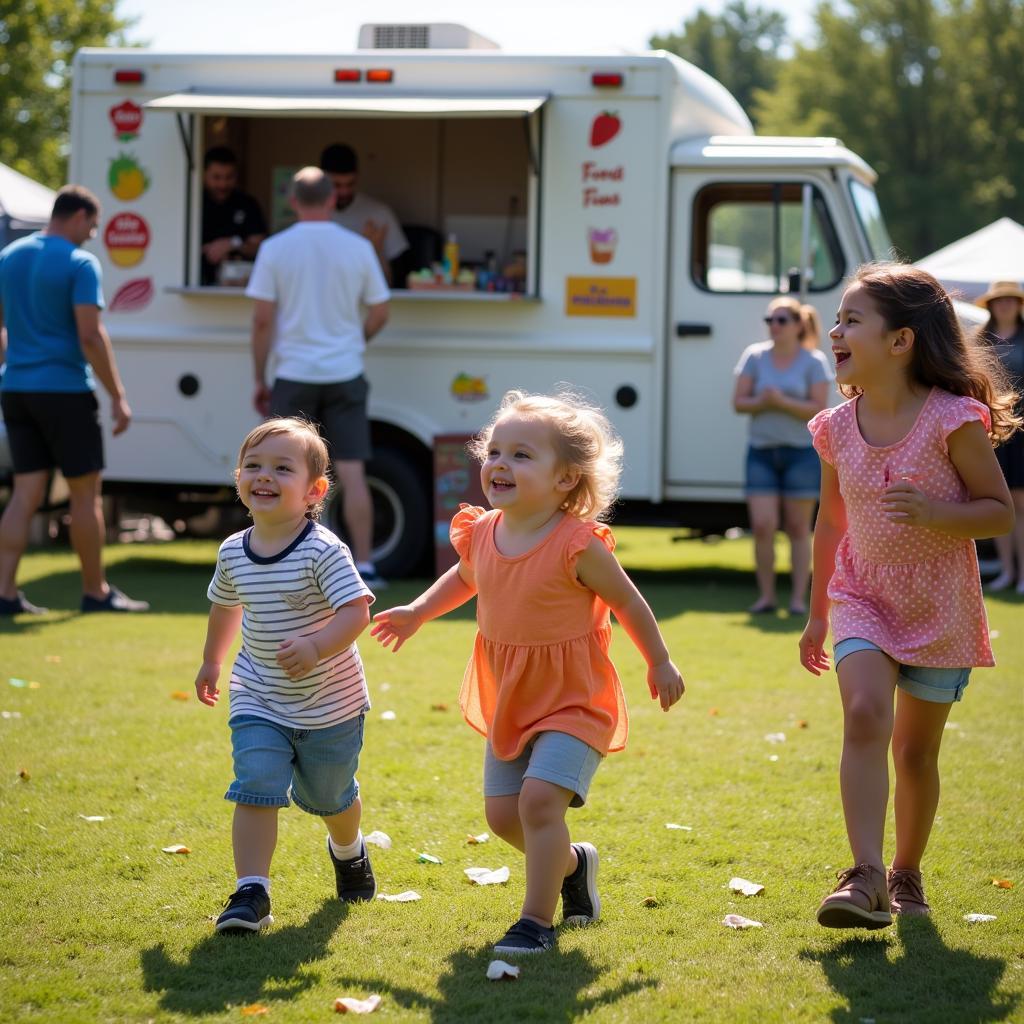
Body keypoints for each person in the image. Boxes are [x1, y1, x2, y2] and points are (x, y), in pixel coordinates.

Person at [371, 389, 685, 954]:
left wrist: (658, 659)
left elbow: (629, 603)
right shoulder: (483, 531)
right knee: (502, 816)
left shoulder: (578, 544)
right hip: (510, 693)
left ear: (566, 479)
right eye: (495, 452)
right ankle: (570, 865)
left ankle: (536, 924)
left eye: (521, 455)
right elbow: (465, 579)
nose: (499, 464)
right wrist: (419, 611)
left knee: (539, 804)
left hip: (574, 696)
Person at [799, 262, 1018, 929]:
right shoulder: (835, 426)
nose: (835, 331)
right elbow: (831, 521)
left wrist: (934, 514)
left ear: (900, 341)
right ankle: (863, 876)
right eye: (836, 320)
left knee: (916, 754)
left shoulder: (954, 418)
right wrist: (816, 616)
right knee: (865, 713)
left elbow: (999, 513)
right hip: (861, 596)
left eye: (851, 320)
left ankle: (905, 871)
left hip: (941, 608)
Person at [194, 417, 377, 932]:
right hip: (259, 695)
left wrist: (318, 645)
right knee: (255, 784)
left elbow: (356, 611)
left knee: (329, 797)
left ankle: (348, 848)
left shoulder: (323, 550)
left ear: (314, 490)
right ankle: (252, 891)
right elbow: (225, 606)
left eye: (281, 467)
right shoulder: (233, 550)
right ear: (238, 480)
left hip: (329, 704)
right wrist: (213, 660)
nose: (264, 476)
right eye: (253, 466)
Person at [0, 185, 148, 615]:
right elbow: (89, 334)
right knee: (86, 496)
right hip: (64, 390)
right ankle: (95, 591)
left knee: (25, 492)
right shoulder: (80, 262)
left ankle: (5, 593)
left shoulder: (9, 257)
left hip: (16, 388)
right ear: (80, 216)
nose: (92, 235)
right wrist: (118, 396)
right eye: (93, 226)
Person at [246, 167, 390, 589]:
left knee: (287, 472)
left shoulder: (275, 248)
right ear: (332, 200)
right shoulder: (359, 247)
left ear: (293, 201)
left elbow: (260, 321)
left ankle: (285, 563)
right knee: (352, 472)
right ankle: (365, 565)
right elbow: (381, 311)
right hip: (346, 371)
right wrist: (354, 340)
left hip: (293, 372)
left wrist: (259, 376)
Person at [733, 297, 834, 615]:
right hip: (761, 453)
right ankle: (766, 598)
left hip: (801, 455)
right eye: (770, 320)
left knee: (797, 529)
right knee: (762, 526)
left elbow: (819, 409)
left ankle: (797, 601)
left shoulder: (814, 361)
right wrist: (764, 401)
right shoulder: (754, 356)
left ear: (798, 325)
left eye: (781, 320)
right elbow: (739, 402)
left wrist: (781, 403)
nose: (774, 326)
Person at [974, 281, 1024, 593]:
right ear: (991, 305)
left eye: (1010, 300)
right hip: (992, 429)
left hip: (1023, 430)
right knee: (998, 501)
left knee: (1020, 503)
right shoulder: (980, 339)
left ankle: (1022, 575)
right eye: (999, 300)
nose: (1004, 305)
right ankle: (1007, 571)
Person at [320, 143, 408, 285]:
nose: (344, 192)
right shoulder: (311, 215)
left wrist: (376, 250)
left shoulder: (379, 213)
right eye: (336, 185)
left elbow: (397, 281)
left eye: (350, 184)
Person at [201, 146, 267, 286]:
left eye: (229, 177)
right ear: (204, 174)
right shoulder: (193, 204)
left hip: (238, 285)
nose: (223, 184)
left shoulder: (247, 204)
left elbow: (260, 246)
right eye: (216, 177)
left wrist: (233, 244)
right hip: (197, 282)